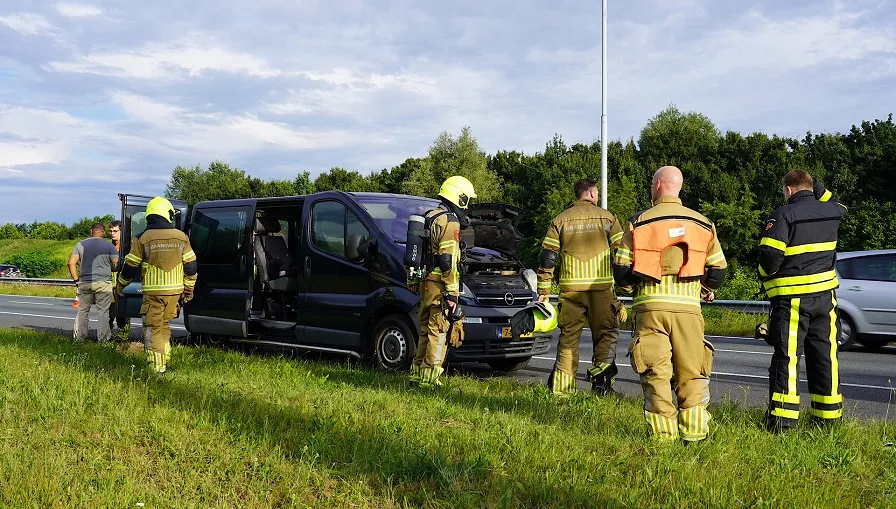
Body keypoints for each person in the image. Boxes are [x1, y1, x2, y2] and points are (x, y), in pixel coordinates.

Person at [613, 166, 727, 442]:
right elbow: (718, 271)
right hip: (689, 309)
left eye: (652, 184)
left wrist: (632, 286)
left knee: (656, 372)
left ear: (659, 185)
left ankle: (663, 437)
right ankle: (696, 433)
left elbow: (621, 271)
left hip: (651, 308)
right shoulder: (703, 223)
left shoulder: (638, 222)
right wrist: (704, 289)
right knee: (693, 370)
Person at [758, 170, 846, 432]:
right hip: (826, 300)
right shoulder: (832, 211)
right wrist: (814, 183)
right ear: (810, 187)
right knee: (825, 358)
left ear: (788, 190)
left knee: (788, 359)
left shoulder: (784, 214)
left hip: (793, 300)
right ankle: (828, 421)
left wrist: (763, 276)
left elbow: (770, 258)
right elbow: (837, 201)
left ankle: (782, 423)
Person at [536, 178, 624, 395]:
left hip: (571, 291)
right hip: (601, 289)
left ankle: (563, 391)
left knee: (568, 340)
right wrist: (627, 287)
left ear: (578, 194)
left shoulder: (560, 220)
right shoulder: (608, 218)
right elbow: (623, 255)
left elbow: (548, 259)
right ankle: (602, 387)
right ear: (593, 194)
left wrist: (543, 292)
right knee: (606, 335)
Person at [408, 176, 477, 387]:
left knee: (425, 330)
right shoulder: (450, 221)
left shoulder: (430, 215)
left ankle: (416, 373)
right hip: (440, 284)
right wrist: (453, 292)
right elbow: (447, 260)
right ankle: (430, 378)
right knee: (438, 331)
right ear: (461, 197)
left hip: (426, 282)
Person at [116, 197, 197, 374]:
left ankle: (157, 368)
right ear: (167, 214)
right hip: (175, 292)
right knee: (164, 325)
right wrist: (188, 291)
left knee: (153, 328)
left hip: (154, 293)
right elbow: (191, 267)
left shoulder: (142, 238)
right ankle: (165, 358)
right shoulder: (181, 237)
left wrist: (120, 286)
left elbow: (130, 267)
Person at [68, 222, 119, 342]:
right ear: (104, 232)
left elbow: (71, 263)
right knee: (103, 312)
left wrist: (76, 280)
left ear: (91, 231)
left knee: (83, 311)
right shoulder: (108, 246)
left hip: (85, 282)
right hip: (103, 283)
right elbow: (116, 264)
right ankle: (103, 339)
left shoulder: (80, 244)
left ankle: (79, 338)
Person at [107, 219, 130, 341]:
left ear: (122, 231)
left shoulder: (127, 247)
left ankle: (123, 336)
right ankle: (107, 335)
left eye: (115, 231)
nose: (112, 233)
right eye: (110, 231)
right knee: (108, 313)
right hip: (108, 284)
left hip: (122, 284)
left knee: (122, 312)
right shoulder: (108, 246)